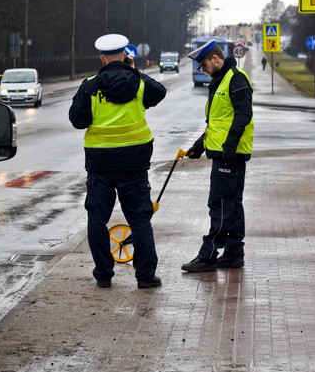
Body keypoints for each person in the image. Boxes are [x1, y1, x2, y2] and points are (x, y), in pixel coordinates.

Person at [69, 34, 167, 289]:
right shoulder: (139, 83)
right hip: (134, 166)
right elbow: (160, 92)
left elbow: (77, 121)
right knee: (140, 219)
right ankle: (145, 276)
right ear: (126, 55)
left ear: (102, 58)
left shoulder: (90, 86)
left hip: (100, 166)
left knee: (97, 220)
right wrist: (135, 72)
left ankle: (103, 274)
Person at [182, 39, 254, 272]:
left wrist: (230, 147)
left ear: (215, 59)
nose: (203, 69)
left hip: (229, 155)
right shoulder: (221, 80)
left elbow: (244, 115)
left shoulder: (236, 78)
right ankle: (234, 254)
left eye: (204, 64)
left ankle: (208, 255)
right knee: (233, 204)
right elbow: (216, 123)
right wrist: (198, 147)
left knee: (220, 204)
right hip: (225, 153)